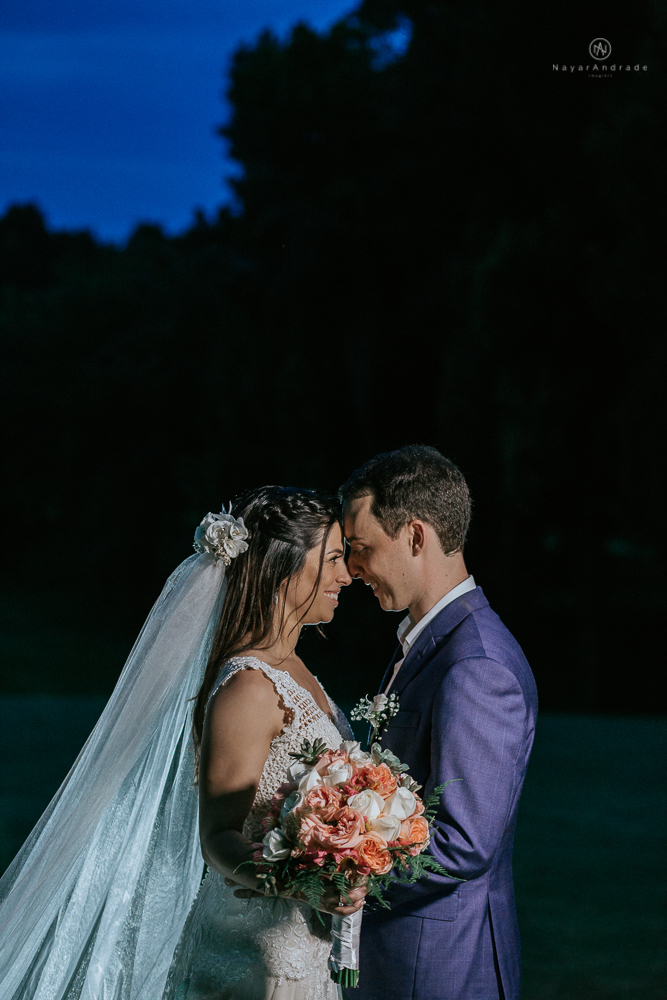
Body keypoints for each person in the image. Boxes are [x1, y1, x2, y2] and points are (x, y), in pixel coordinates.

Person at [0, 485, 363, 1000]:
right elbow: (217, 836)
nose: (346, 575)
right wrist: (302, 884)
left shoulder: (294, 667)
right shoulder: (249, 688)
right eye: (331, 559)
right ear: (282, 569)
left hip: (303, 946)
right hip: (254, 957)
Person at [340, 446, 538, 1000]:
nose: (352, 568)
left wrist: (341, 870)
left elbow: (463, 842)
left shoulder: (476, 664)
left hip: (439, 967)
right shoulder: (431, 642)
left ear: (415, 536)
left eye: (362, 548)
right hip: (409, 958)